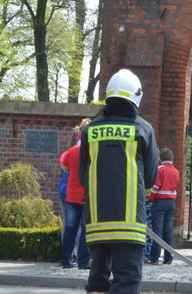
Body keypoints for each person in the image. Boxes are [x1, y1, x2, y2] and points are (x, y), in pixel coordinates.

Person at [79, 68, 158, 294]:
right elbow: (151, 178)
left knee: (97, 279)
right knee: (127, 279)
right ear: (136, 95)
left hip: (97, 220)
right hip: (130, 222)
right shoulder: (143, 129)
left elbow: (82, 174)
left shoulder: (91, 129)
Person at [60, 119, 91, 270]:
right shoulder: (93, 151)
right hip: (87, 195)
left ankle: (66, 261)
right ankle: (83, 262)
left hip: (71, 194)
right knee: (85, 228)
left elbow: (64, 167)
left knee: (70, 228)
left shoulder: (71, 151)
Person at [146, 148, 179, 265]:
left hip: (159, 202)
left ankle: (154, 257)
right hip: (171, 203)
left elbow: (155, 187)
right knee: (168, 230)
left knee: (157, 230)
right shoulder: (176, 171)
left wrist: (150, 199)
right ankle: (168, 258)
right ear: (172, 158)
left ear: (160, 159)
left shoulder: (160, 170)